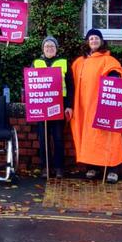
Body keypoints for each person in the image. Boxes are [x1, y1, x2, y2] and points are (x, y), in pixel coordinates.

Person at [70, 28, 122, 183]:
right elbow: (70, 82)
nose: (94, 40)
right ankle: (92, 167)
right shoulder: (78, 62)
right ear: (87, 42)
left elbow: (116, 72)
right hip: (83, 107)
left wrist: (113, 77)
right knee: (88, 138)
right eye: (91, 38)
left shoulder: (108, 60)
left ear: (101, 41)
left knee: (109, 136)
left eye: (96, 38)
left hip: (102, 105)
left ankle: (113, 169)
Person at [32, 36, 74, 178]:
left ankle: (59, 168)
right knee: (43, 138)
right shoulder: (36, 62)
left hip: (59, 105)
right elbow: (30, 83)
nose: (49, 48)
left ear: (56, 49)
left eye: (52, 46)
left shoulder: (64, 62)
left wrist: (69, 106)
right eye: (47, 46)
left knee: (58, 138)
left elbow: (70, 87)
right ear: (43, 49)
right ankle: (45, 167)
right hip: (41, 106)